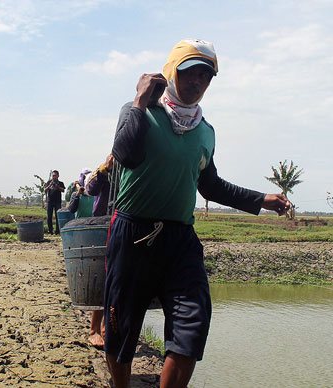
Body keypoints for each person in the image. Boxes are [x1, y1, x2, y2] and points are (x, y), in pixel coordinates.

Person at [104, 39, 290, 388]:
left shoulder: (205, 132)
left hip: (180, 240)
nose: (198, 83)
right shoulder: (139, 113)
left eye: (206, 77)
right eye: (190, 73)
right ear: (172, 72)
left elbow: (211, 186)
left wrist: (261, 199)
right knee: (121, 325)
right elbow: (125, 156)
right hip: (133, 234)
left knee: (193, 322)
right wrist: (141, 99)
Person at [83, 153, 114, 348]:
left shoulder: (135, 168)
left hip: (124, 225)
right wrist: (105, 168)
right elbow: (90, 189)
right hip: (103, 226)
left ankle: (107, 328)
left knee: (117, 281)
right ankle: (94, 329)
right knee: (102, 279)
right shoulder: (106, 169)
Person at [43, 170, 65, 234]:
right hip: (50, 201)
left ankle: (57, 230)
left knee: (57, 216)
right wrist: (49, 186)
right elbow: (45, 190)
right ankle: (50, 230)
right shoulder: (49, 182)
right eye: (53, 175)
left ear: (58, 176)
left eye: (55, 175)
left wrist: (58, 187)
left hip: (57, 201)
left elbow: (63, 190)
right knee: (49, 216)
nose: (54, 177)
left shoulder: (61, 183)